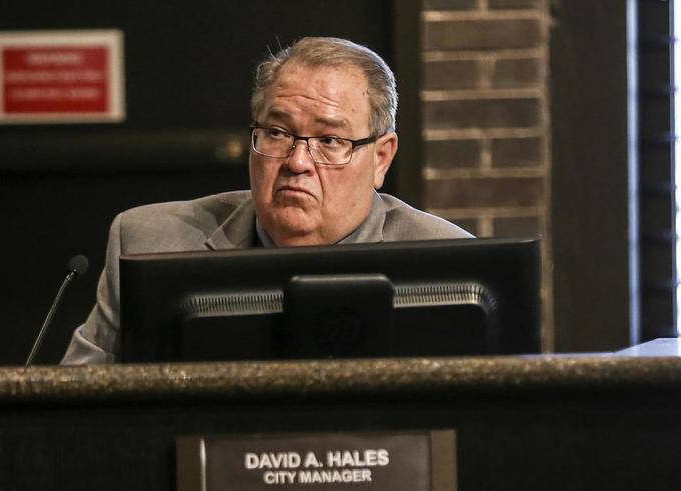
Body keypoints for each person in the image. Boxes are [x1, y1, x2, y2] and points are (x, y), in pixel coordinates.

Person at [62, 36, 471, 365]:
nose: (297, 162)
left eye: (329, 141)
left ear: (381, 158)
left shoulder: (453, 268)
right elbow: (73, 415)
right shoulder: (147, 244)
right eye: (277, 132)